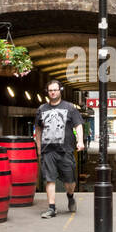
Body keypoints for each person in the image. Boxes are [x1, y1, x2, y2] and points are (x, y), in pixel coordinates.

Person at [33, 80, 84, 219]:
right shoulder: (42, 109)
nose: (53, 92)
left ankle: (70, 196)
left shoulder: (70, 108)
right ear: (47, 92)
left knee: (69, 181)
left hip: (65, 150)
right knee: (49, 179)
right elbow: (38, 129)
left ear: (60, 90)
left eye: (55, 90)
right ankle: (51, 208)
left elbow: (78, 125)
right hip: (48, 150)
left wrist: (80, 141)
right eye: (50, 90)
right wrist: (39, 147)